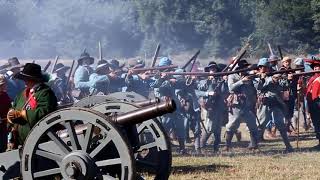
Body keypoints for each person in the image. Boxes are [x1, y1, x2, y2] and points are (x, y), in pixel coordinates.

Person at [7, 63, 58, 146]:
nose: (25, 81)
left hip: (39, 140)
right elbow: (14, 107)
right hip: (20, 140)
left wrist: (23, 114)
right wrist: (10, 115)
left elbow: (44, 112)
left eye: (27, 79)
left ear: (35, 79)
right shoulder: (21, 94)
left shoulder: (45, 93)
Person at [255, 58, 293, 152]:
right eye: (262, 67)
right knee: (260, 124)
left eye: (266, 67)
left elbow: (284, 87)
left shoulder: (274, 75)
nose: (264, 69)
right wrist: (268, 79)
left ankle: (288, 146)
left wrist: (287, 80)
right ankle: (254, 144)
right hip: (265, 103)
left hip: (276, 103)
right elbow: (259, 88)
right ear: (259, 68)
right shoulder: (256, 77)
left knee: (280, 124)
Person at [225, 59, 259, 151]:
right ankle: (227, 146)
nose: (245, 69)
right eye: (243, 67)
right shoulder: (232, 76)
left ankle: (254, 145)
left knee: (252, 125)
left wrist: (259, 78)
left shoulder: (249, 76)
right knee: (232, 125)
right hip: (236, 104)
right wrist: (241, 81)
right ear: (240, 68)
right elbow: (231, 88)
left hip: (247, 103)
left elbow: (256, 87)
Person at [305, 59, 320, 149]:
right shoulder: (312, 78)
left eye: (318, 67)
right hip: (313, 104)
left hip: (318, 102)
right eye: (314, 67)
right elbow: (308, 92)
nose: (316, 68)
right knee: (316, 123)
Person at [0, 75, 11, 152]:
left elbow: (9, 108)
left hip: (3, 127)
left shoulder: (5, 95)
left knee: (2, 148)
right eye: (4, 84)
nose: (6, 85)